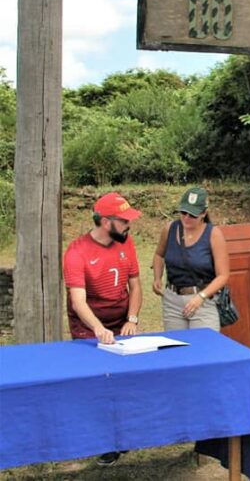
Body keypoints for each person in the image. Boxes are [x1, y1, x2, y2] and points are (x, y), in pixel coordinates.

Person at [63, 192, 143, 466]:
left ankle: (125, 434)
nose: (128, 226)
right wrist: (98, 330)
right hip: (89, 324)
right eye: (124, 221)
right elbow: (78, 300)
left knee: (125, 378)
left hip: (121, 319)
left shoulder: (126, 242)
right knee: (97, 381)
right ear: (106, 222)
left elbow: (135, 285)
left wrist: (131, 318)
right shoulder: (77, 252)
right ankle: (104, 441)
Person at [152, 187, 230, 331]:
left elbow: (223, 275)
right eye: (183, 213)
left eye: (192, 215)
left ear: (203, 213)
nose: (186, 218)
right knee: (176, 349)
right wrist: (157, 277)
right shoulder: (170, 229)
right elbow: (159, 254)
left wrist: (202, 296)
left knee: (204, 349)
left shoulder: (214, 234)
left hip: (202, 300)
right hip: (172, 300)